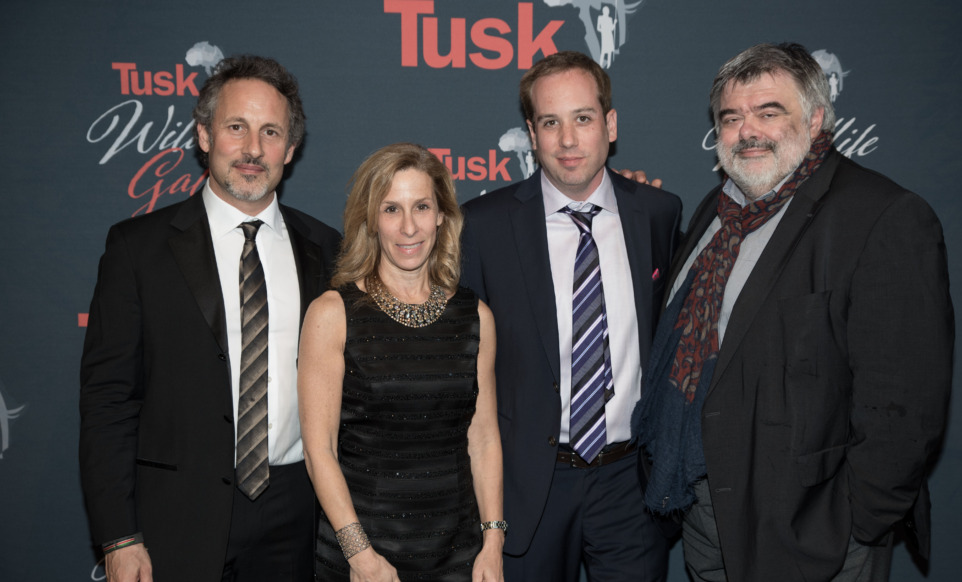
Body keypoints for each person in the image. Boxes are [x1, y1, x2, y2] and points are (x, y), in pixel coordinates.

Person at [632, 42, 954, 581]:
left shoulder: (881, 216)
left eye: (769, 112)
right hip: (704, 506)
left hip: (813, 526)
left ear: (817, 117)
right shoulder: (721, 208)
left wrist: (857, 521)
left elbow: (906, 399)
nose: (747, 131)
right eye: (731, 118)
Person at [79, 55, 341, 581]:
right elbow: (108, 400)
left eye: (270, 132)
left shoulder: (327, 250)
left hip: (295, 516)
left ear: (290, 150)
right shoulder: (137, 249)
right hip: (173, 516)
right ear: (203, 135)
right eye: (236, 127)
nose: (252, 149)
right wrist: (120, 535)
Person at [460, 51, 681, 581]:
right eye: (550, 123)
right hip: (528, 486)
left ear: (609, 124)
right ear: (531, 135)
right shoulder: (482, 226)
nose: (567, 140)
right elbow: (465, 372)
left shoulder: (658, 214)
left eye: (582, 119)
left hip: (631, 483)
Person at [299, 143, 504, 582]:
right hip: (364, 555)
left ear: (442, 216)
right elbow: (320, 452)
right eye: (391, 209)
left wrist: (493, 542)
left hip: (459, 555)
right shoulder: (332, 314)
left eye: (421, 207)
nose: (409, 227)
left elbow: (484, 439)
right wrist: (361, 557)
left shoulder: (476, 317)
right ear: (371, 220)